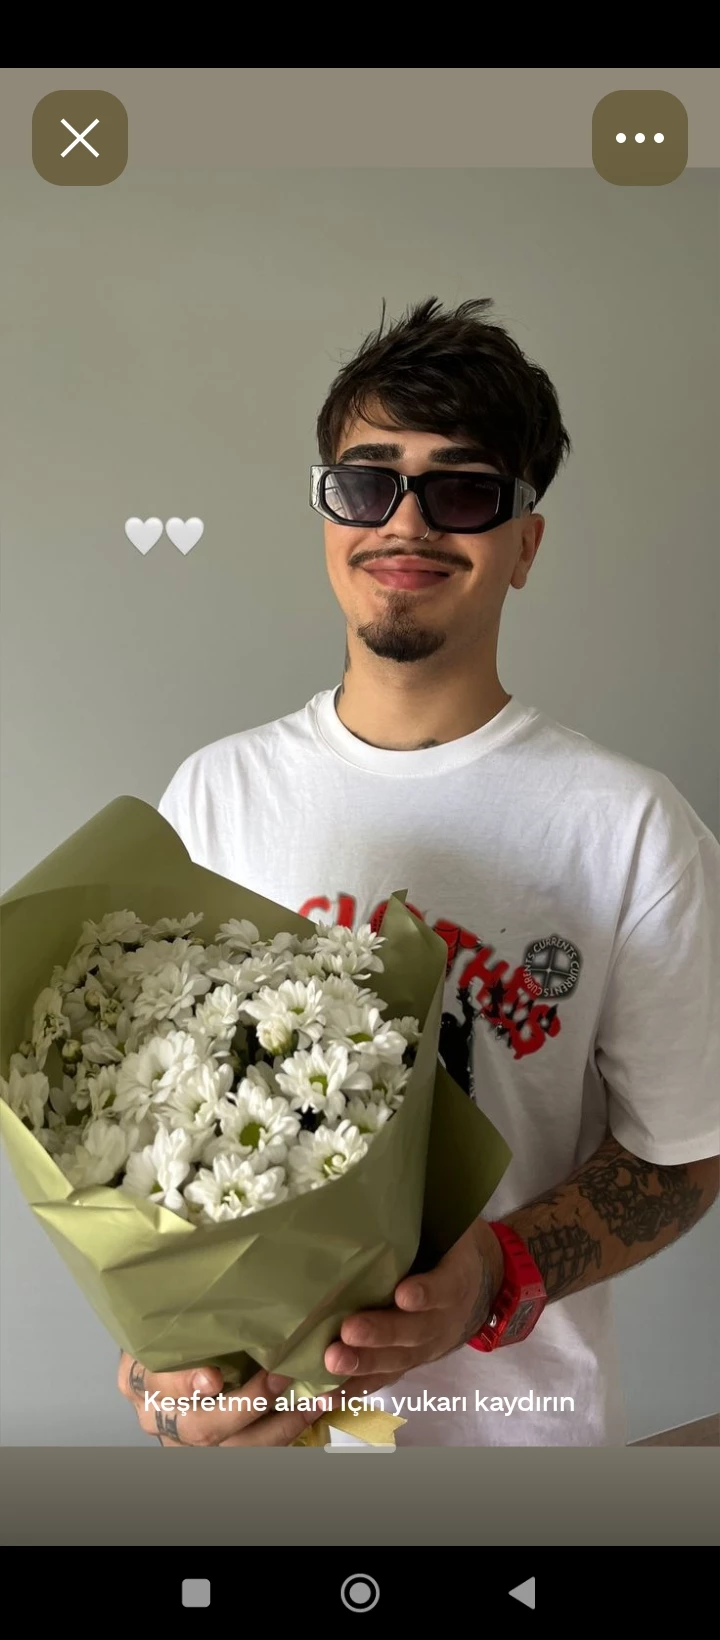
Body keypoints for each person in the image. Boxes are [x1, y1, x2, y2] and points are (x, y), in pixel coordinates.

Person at [118, 297, 719, 1448]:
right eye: (368, 480)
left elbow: (683, 1154)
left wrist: (496, 1270)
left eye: (464, 490)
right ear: (326, 511)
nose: (406, 519)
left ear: (524, 544)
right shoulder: (214, 794)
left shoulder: (633, 828)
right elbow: (149, 1137)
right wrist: (162, 1364)